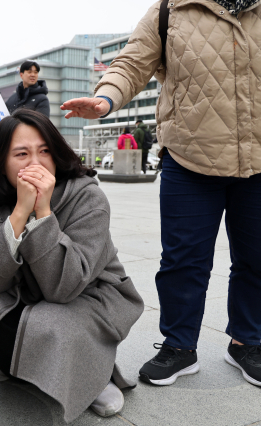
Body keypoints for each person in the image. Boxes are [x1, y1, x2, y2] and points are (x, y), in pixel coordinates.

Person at [61, 0, 261, 388]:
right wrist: (105, 99)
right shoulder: (171, 10)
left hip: (258, 162)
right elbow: (131, 64)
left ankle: (247, 342)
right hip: (189, 157)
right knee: (183, 261)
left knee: (257, 258)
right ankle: (179, 346)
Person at [0, 109, 144, 422]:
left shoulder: (88, 197)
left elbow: (65, 288)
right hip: (26, 292)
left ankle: (93, 378)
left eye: (44, 151)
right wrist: (18, 215)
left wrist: (43, 214)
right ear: (2, 163)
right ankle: (9, 363)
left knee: (49, 320)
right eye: (21, 153)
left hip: (90, 295)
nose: (36, 162)